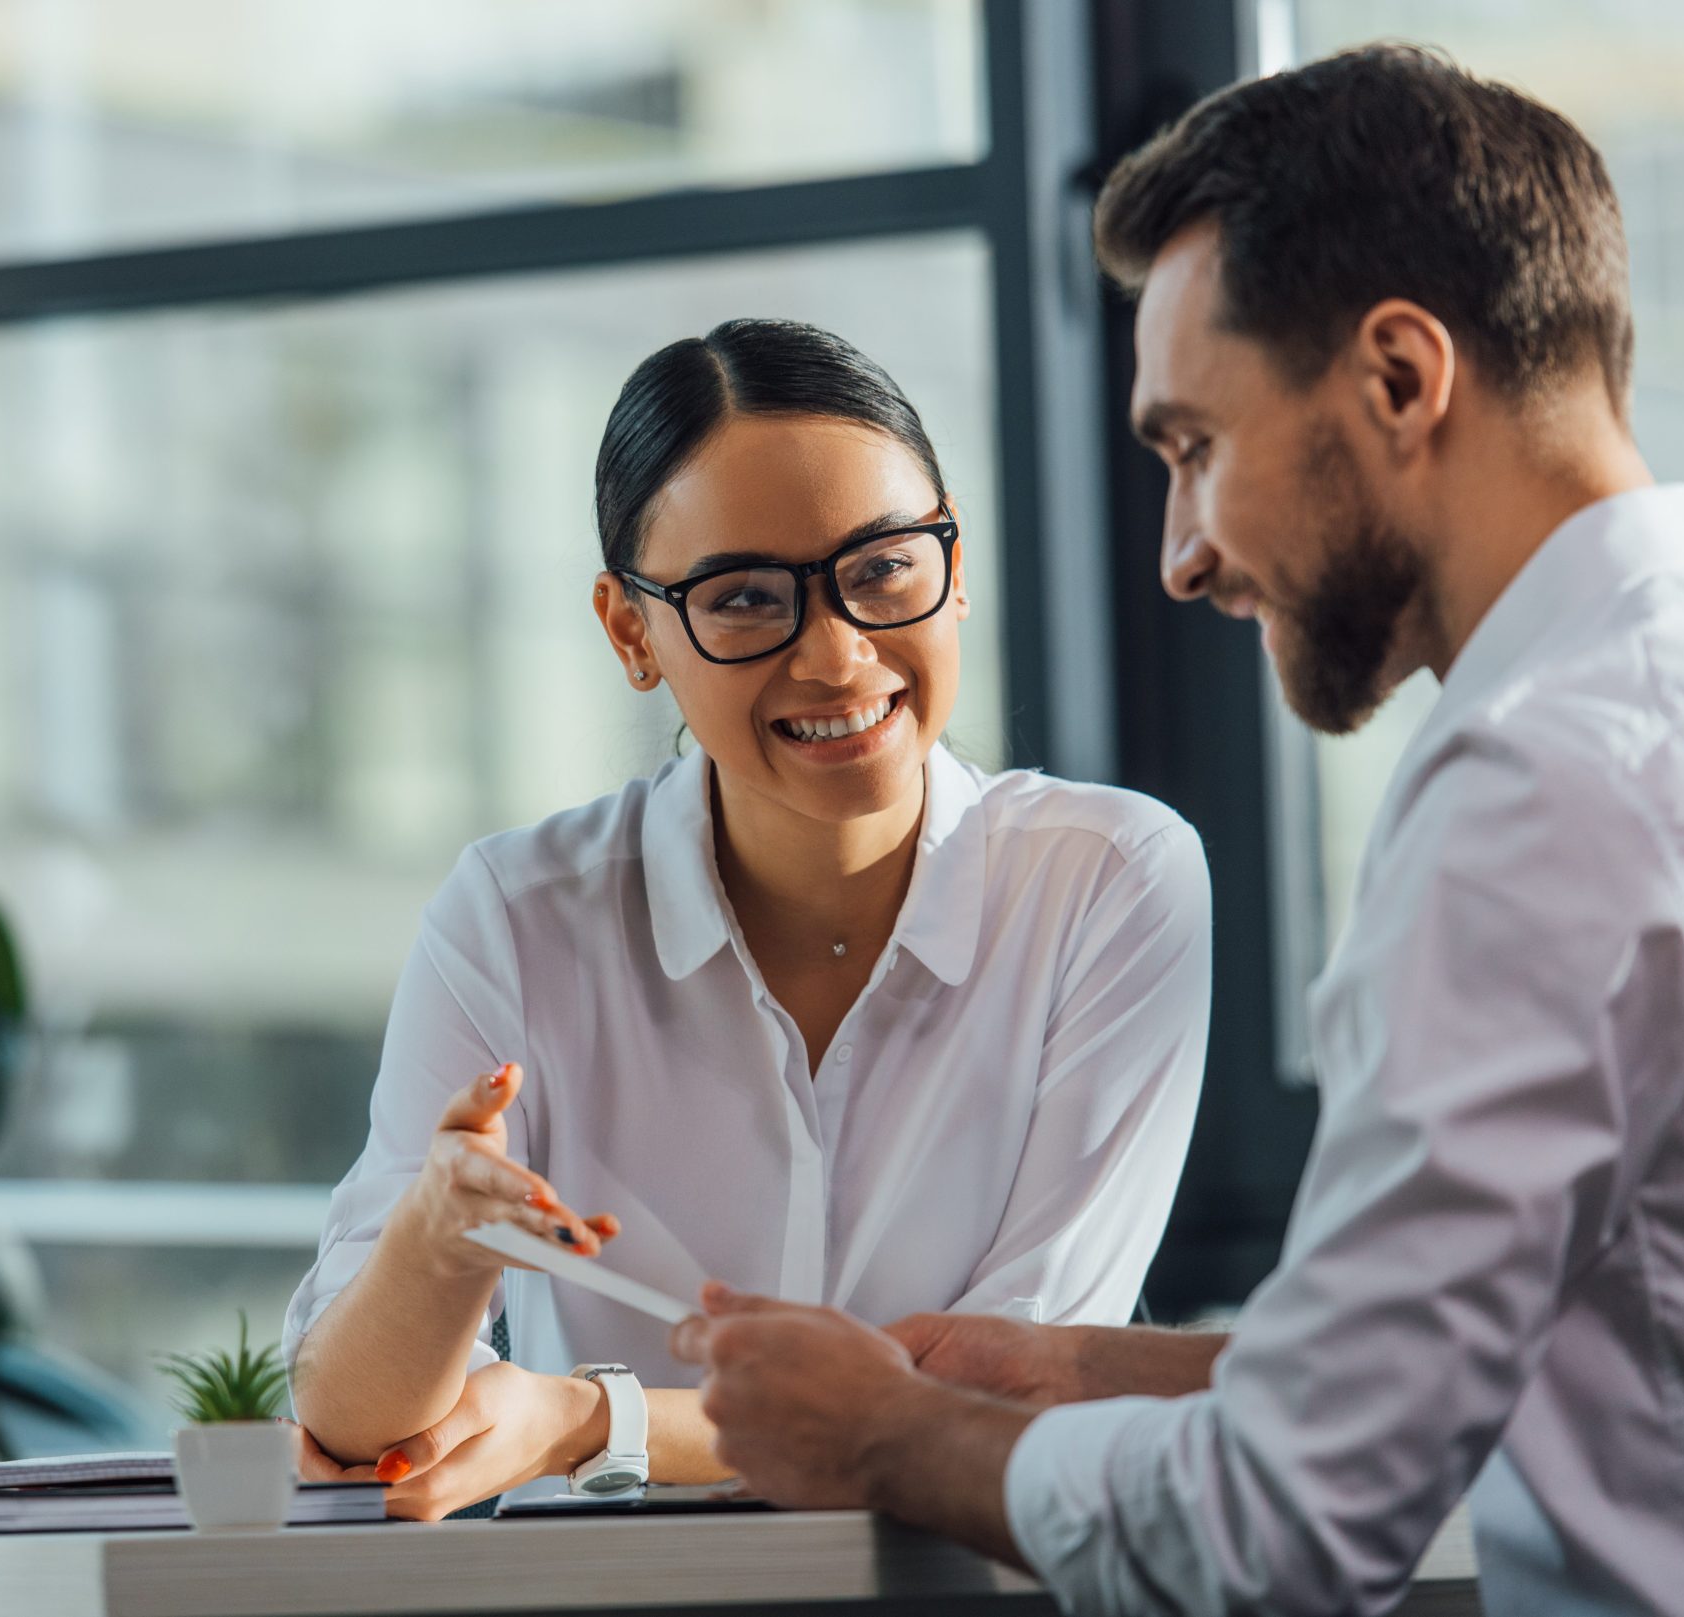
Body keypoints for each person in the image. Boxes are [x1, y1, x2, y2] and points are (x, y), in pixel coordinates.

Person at [671, 47, 1684, 1617]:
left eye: (1194, 447)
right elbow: (1624, 1338)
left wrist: (888, 1436)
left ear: (1402, 378)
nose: (1181, 559)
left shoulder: (1544, 790)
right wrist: (1082, 1368)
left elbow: (1277, 1527)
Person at [281, 318, 1213, 1519]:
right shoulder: (516, 916)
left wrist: (591, 1419)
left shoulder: (1112, 881)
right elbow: (350, 1423)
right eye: (745, 599)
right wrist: (436, 1244)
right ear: (632, 632)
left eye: (883, 568)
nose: (836, 656)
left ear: (956, 561)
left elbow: (1011, 1386)